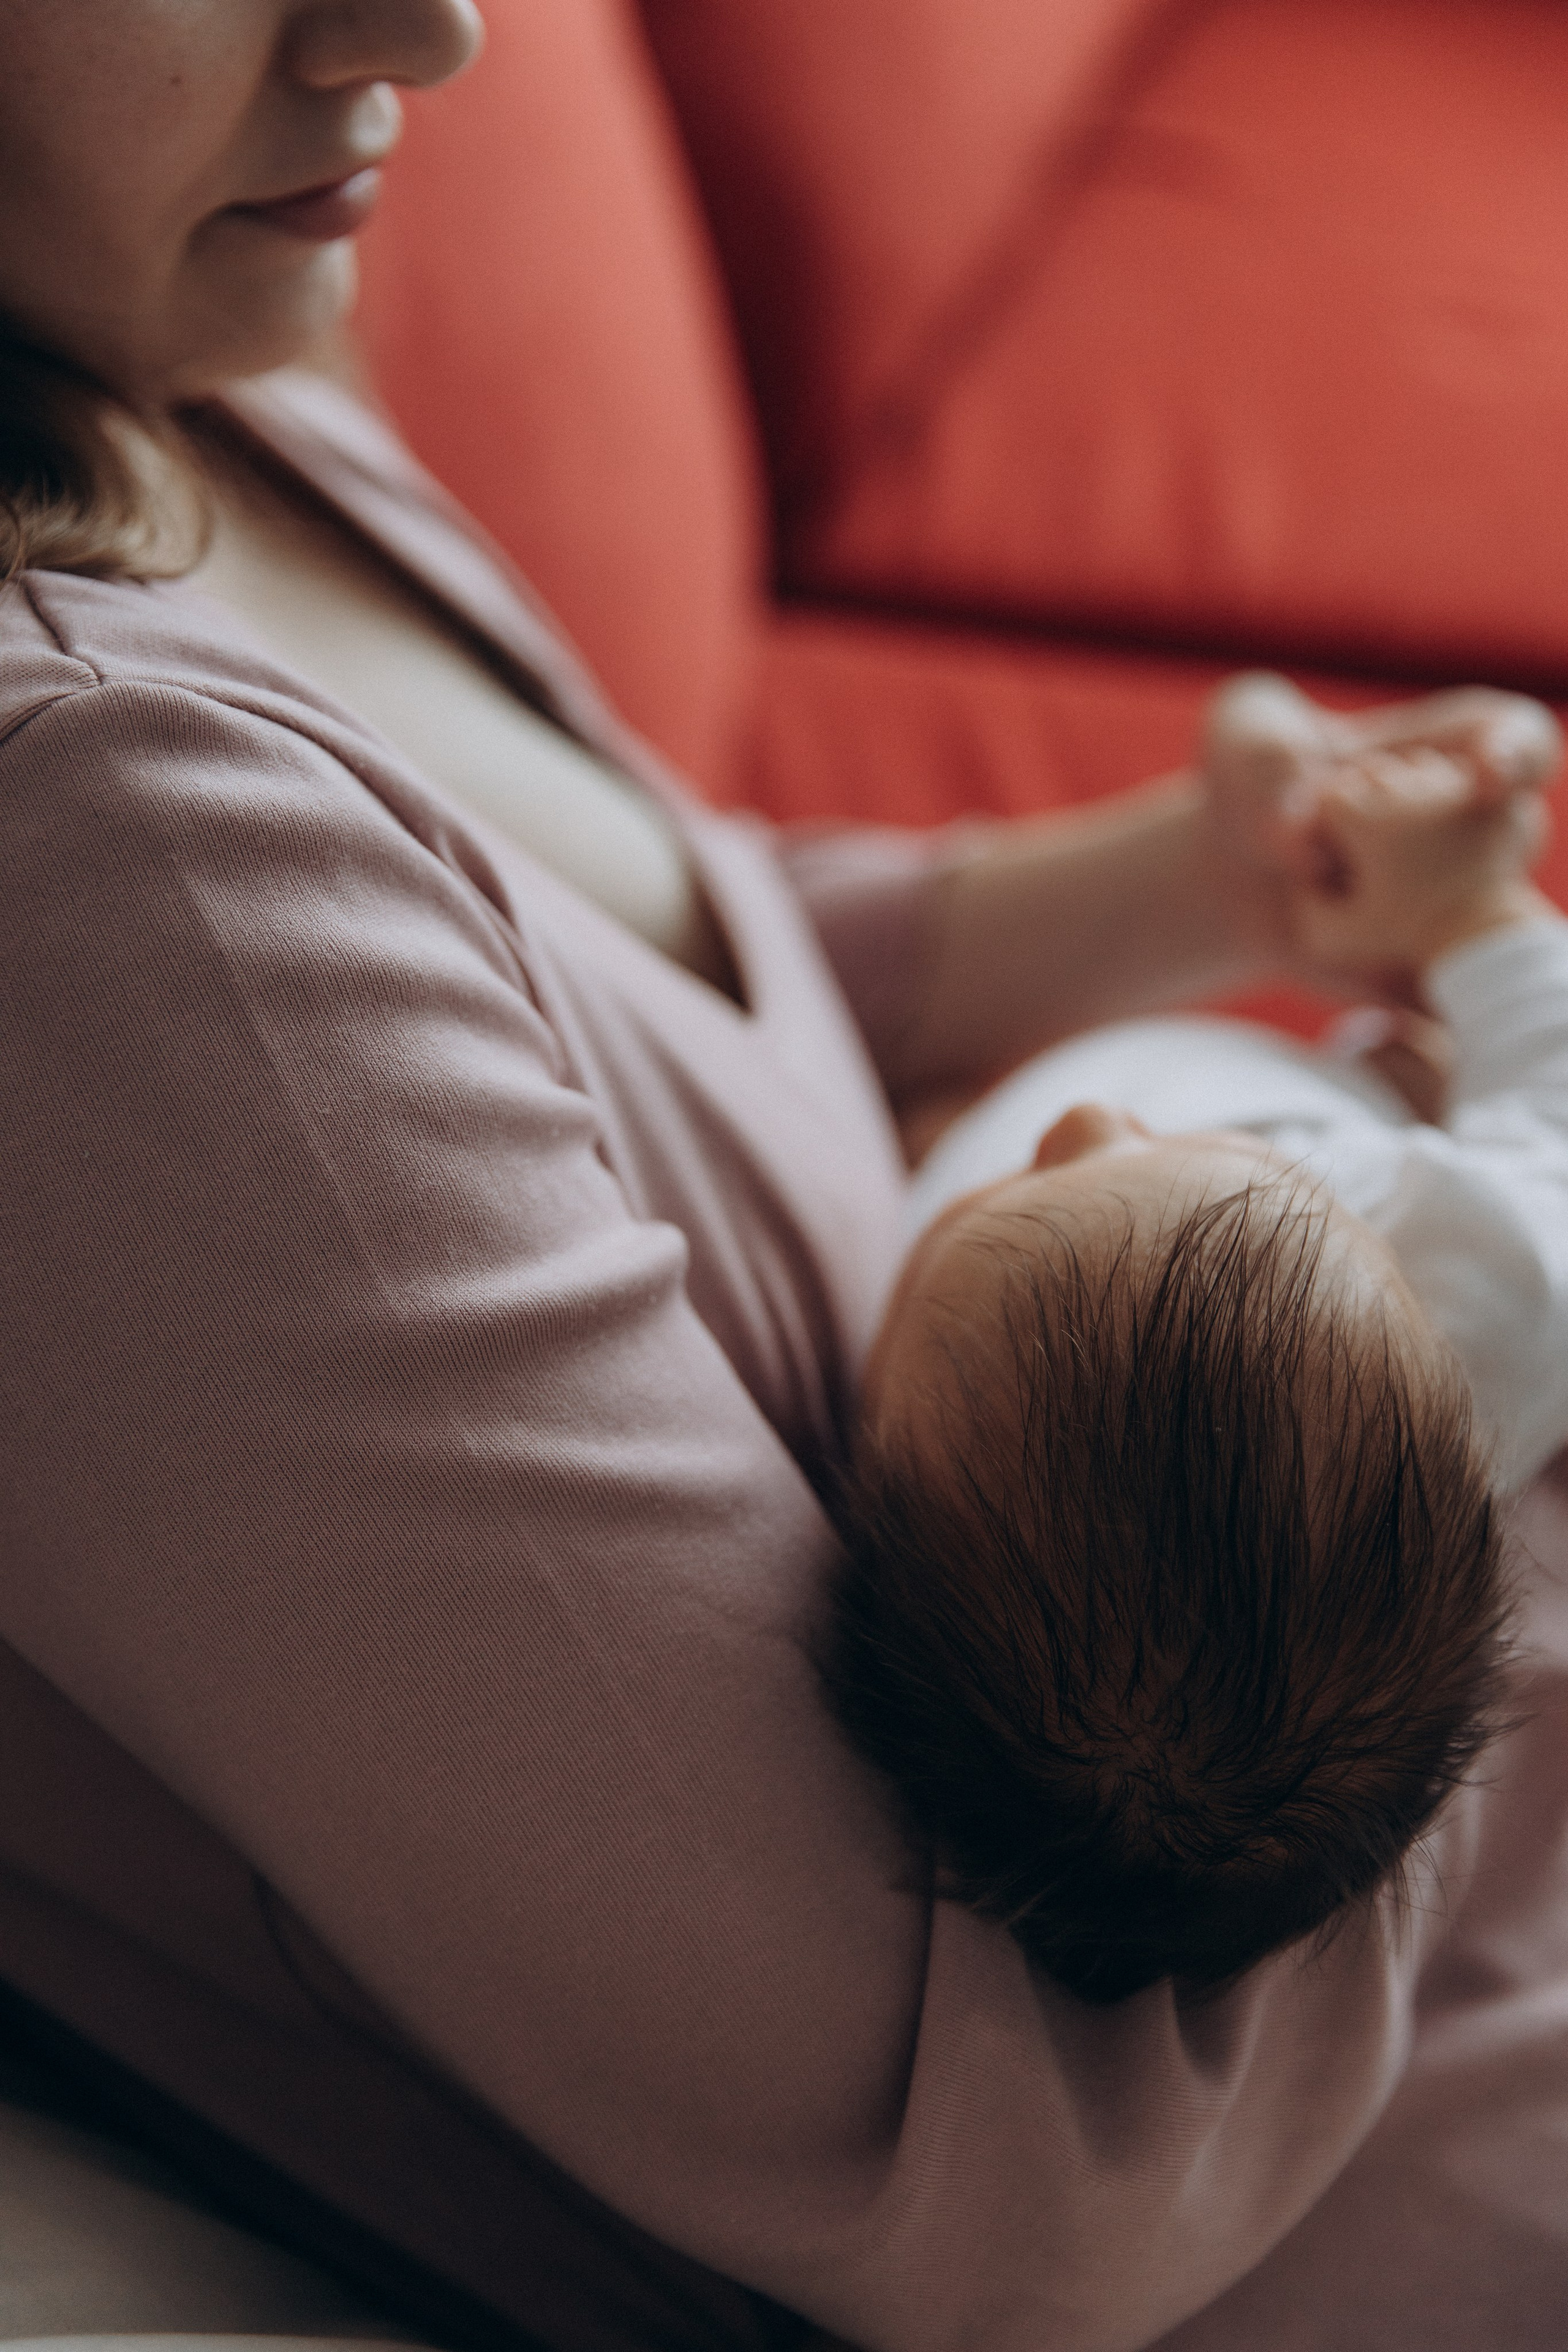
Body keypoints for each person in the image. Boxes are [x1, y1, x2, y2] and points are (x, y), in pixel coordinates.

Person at [1, 6, 1564, 2351]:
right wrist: (1455, 1389)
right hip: (1374, 2152)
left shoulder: (177, 341)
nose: (434, 23)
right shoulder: (97, 863)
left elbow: (610, 961)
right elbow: (998, 2192)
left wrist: (1212, 882)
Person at [827, 737, 1568, 2006]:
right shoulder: (1474, 1286)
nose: (1088, 1125)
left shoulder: (941, 1459)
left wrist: (947, 1150)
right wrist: (1470, 913)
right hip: (1367, 1095)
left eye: (1023, 1185)